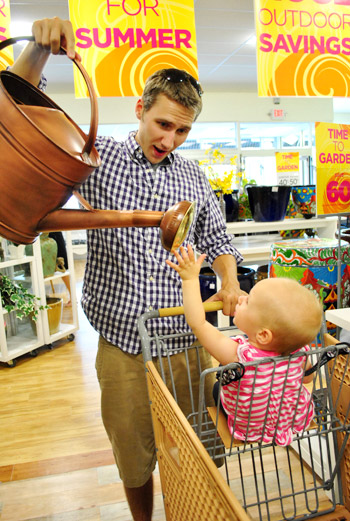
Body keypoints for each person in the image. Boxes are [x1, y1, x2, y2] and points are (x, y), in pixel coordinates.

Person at [11, 17, 245, 521]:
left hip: (185, 339)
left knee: (204, 447)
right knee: (134, 455)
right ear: (140, 110)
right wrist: (38, 49)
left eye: (183, 130)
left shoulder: (191, 174)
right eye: (163, 124)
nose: (172, 138)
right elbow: (19, 112)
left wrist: (229, 282)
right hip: (122, 344)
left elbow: (217, 238)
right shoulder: (101, 159)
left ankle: (199, 512)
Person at [167, 245, 323, 446]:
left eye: (248, 302)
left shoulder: (240, 355)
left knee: (217, 387)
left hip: (249, 428)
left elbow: (198, 323)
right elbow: (308, 378)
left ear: (263, 335)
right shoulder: (300, 351)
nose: (241, 298)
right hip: (294, 421)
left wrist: (189, 280)